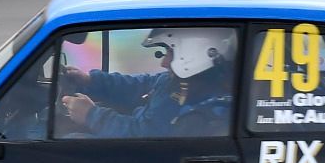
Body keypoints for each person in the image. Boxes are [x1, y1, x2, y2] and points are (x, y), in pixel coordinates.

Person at [59, 27, 236, 138]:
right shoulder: (177, 81)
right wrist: (91, 80)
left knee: (71, 141)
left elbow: (142, 135)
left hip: (138, 161)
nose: (163, 62)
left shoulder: (191, 98)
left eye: (169, 53)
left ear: (192, 54)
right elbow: (139, 85)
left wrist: (91, 115)